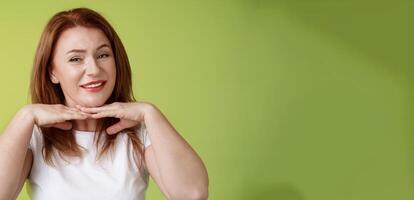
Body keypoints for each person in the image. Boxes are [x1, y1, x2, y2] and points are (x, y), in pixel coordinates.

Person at [0, 7, 208, 200]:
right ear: (52, 72)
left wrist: (150, 112)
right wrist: (25, 116)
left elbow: (193, 194)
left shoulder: (139, 135)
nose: (94, 69)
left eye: (103, 55)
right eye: (75, 59)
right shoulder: (34, 136)